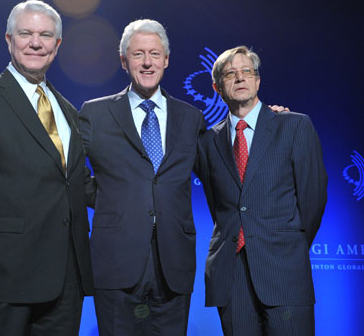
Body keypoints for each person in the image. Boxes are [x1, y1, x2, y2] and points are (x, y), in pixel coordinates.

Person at [0, 0, 94, 336]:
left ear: (58, 44)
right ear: (9, 39)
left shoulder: (67, 110)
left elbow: (75, 183)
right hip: (0, 279)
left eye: (45, 35)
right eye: (26, 33)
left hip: (65, 280)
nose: (35, 42)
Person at [78, 19, 205, 335]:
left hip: (174, 261)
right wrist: (111, 198)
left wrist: (268, 123)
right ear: (124, 61)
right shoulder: (94, 113)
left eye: (154, 54)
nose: (147, 62)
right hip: (115, 261)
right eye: (138, 55)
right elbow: (70, 175)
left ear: (166, 60)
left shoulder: (191, 118)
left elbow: (222, 167)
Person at [197, 46, 327, 335]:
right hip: (231, 275)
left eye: (247, 72)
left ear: (258, 81)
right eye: (231, 74)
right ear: (218, 87)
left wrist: (286, 244)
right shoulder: (208, 143)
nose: (240, 78)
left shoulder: (294, 126)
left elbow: (312, 200)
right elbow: (216, 202)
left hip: (284, 270)